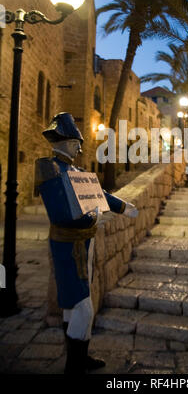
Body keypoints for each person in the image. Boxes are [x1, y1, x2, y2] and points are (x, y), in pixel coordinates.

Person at [34, 112, 138, 375]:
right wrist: (92, 218)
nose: (80, 147)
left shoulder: (76, 171)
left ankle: (78, 359)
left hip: (83, 246)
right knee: (82, 307)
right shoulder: (51, 168)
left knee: (74, 305)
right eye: (77, 142)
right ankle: (76, 363)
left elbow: (97, 195)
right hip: (70, 247)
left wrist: (123, 206)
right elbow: (62, 215)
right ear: (68, 142)